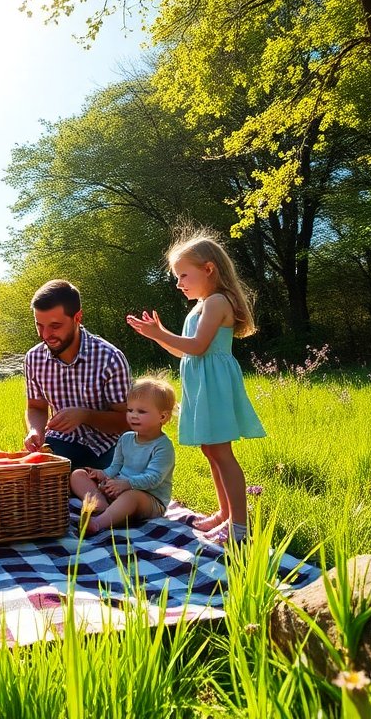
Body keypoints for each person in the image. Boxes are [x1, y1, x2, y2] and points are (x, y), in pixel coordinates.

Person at [127, 231, 266, 544]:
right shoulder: (203, 304)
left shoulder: (217, 302)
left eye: (182, 275)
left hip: (214, 386)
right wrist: (158, 334)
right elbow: (184, 350)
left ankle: (239, 528)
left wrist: (159, 332)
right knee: (210, 449)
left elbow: (199, 346)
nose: (179, 283)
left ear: (209, 269)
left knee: (221, 452)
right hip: (202, 385)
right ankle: (224, 514)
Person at [23, 280, 131, 470]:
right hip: (61, 443)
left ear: (77, 318)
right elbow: (36, 407)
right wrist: (35, 430)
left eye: (55, 326)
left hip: (110, 447)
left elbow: (126, 421)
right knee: (36, 487)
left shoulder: (110, 358)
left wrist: (85, 416)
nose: (45, 335)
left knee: (117, 489)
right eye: (39, 325)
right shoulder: (34, 358)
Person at [70, 377, 177, 534]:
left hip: (148, 499)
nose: (133, 415)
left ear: (163, 417)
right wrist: (102, 474)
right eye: (130, 410)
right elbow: (116, 467)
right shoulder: (126, 438)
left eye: (141, 411)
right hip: (120, 489)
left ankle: (98, 523)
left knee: (131, 497)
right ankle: (101, 507)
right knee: (78, 474)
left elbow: (153, 479)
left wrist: (126, 484)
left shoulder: (163, 446)